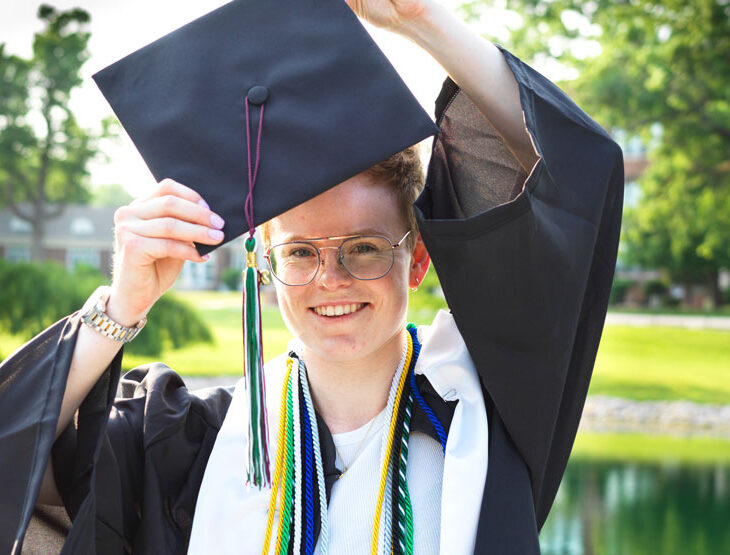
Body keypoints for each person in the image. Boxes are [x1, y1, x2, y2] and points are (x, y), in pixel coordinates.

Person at [0, 0, 623, 553]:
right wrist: (121, 306)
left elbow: (570, 174)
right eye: (300, 253)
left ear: (419, 259)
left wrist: (422, 21)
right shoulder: (192, 442)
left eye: (364, 247)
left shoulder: (483, 414)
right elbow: (12, 464)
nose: (332, 277)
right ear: (264, 265)